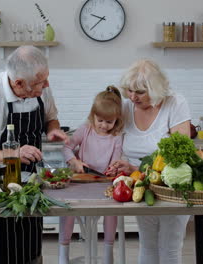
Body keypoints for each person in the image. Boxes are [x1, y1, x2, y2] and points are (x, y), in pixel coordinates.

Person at [0, 45, 67, 264]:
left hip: (32, 186)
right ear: (18, 82)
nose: (47, 85)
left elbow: (51, 117)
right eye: (41, 82)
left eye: (46, 79)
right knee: (1, 250)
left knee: (31, 248)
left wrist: (53, 130)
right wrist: (13, 154)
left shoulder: (41, 87)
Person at [105, 59, 192, 264]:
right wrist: (120, 163)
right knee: (148, 244)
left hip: (171, 188)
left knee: (170, 247)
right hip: (142, 187)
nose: (133, 96)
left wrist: (136, 167)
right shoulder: (127, 106)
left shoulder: (175, 103)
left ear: (156, 89)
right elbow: (105, 134)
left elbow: (180, 154)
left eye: (140, 92)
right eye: (129, 90)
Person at [60, 86, 124, 264]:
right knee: (67, 208)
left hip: (103, 183)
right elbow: (66, 148)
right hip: (80, 182)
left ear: (117, 120)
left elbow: (116, 160)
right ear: (93, 115)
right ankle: (63, 253)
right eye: (100, 120)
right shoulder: (85, 129)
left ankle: (108, 253)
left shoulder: (117, 136)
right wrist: (74, 161)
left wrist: (113, 168)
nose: (104, 125)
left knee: (112, 210)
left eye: (109, 122)